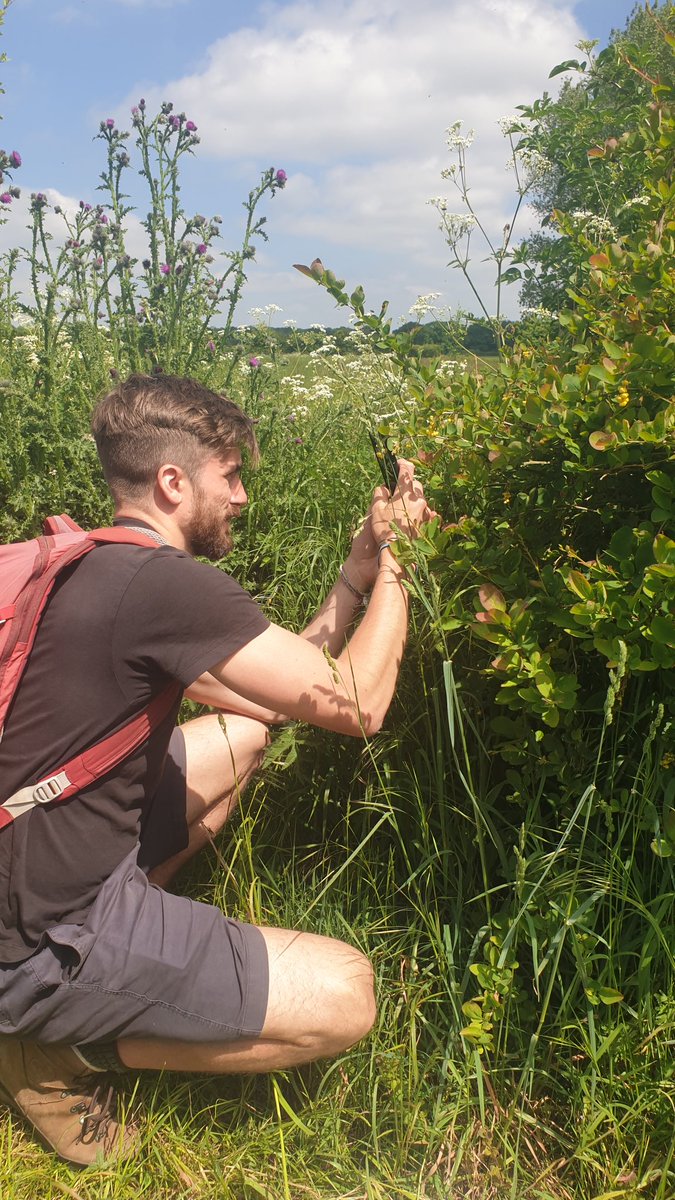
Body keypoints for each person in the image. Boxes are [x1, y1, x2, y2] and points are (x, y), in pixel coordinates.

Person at [0, 372, 435, 1167]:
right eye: (229, 474)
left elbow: (275, 692)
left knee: (236, 738)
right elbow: (359, 703)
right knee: (347, 995)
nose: (240, 496)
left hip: (24, 871)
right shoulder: (170, 587)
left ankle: (125, 962)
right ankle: (52, 1049)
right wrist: (402, 563)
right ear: (173, 481)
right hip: (31, 943)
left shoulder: (95, 565)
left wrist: (353, 575)